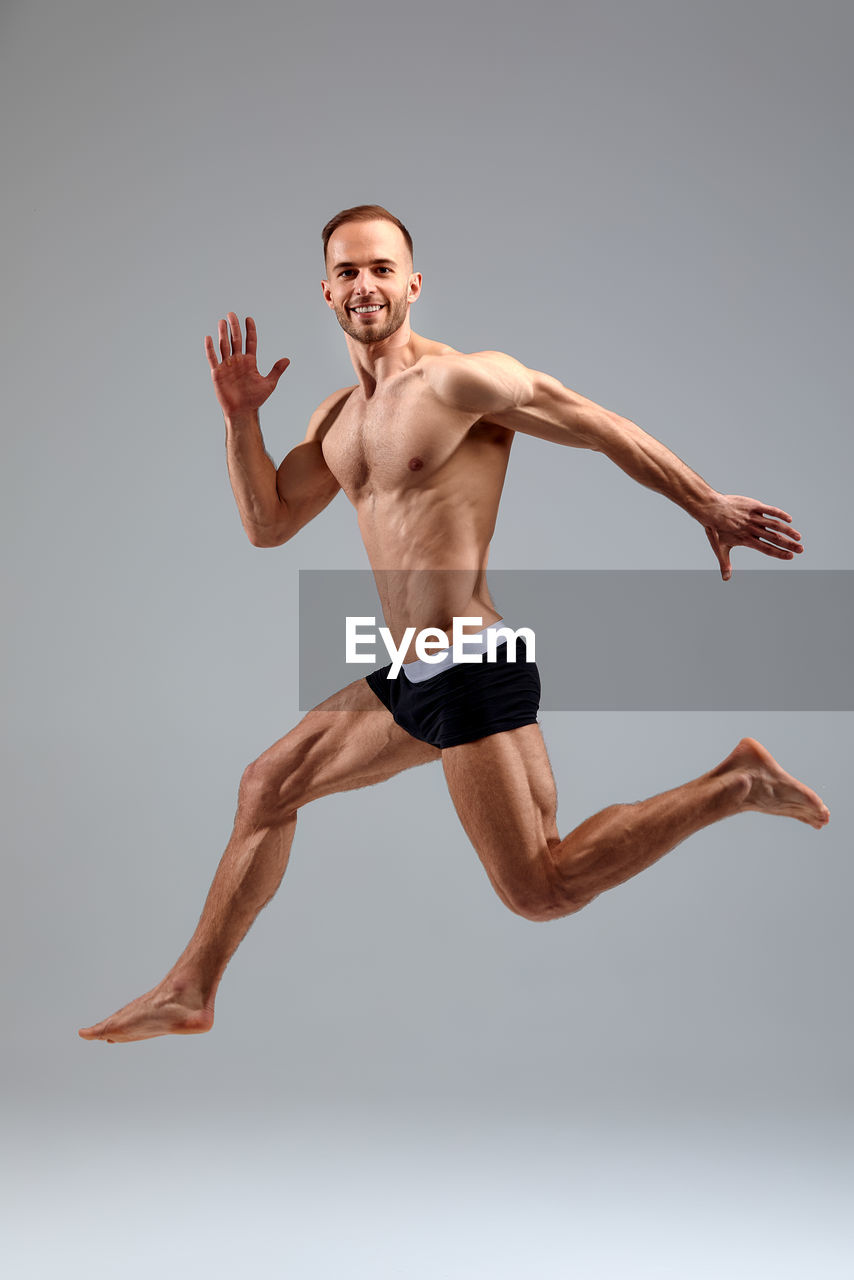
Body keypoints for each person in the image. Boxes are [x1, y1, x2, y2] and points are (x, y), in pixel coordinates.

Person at [79, 204, 829, 1045]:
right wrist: (240, 419)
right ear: (326, 290)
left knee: (541, 887)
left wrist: (705, 504)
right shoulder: (336, 420)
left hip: (469, 660)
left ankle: (735, 783)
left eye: (383, 269)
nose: (368, 285)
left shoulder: (460, 382)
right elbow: (268, 523)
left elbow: (594, 423)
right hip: (406, 670)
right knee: (267, 787)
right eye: (350, 271)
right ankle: (191, 989)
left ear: (413, 283)